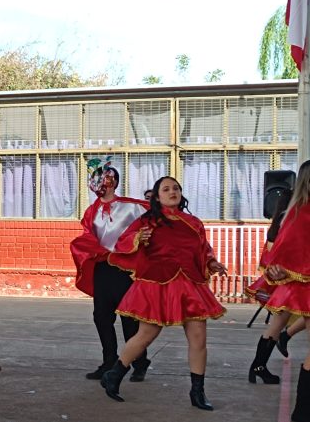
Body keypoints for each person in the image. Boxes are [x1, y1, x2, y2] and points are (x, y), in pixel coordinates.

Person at [100, 176, 227, 411]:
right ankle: (115, 374)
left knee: (198, 336)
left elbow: (203, 249)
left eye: (176, 188)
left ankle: (197, 392)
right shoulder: (147, 221)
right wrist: (139, 238)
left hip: (190, 284)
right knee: (146, 335)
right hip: (157, 284)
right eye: (166, 189)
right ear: (157, 197)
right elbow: (122, 241)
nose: (172, 192)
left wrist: (211, 263)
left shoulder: (194, 222)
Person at [70, 157, 151, 381]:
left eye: (101, 178)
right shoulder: (91, 211)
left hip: (126, 270)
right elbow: (88, 236)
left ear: (112, 181)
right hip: (103, 268)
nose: (96, 183)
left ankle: (139, 362)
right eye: (93, 179)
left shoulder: (133, 207)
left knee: (129, 319)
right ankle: (108, 361)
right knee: (101, 317)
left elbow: (154, 222)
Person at [261, 160, 310, 421]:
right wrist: (276, 268)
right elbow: (283, 244)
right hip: (303, 284)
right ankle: (302, 412)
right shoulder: (298, 212)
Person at [244, 187, 302, 384]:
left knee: (279, 322)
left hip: (290, 280)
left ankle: (258, 366)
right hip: (294, 280)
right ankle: (260, 364)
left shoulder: (283, 221)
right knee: (280, 321)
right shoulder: (294, 219)